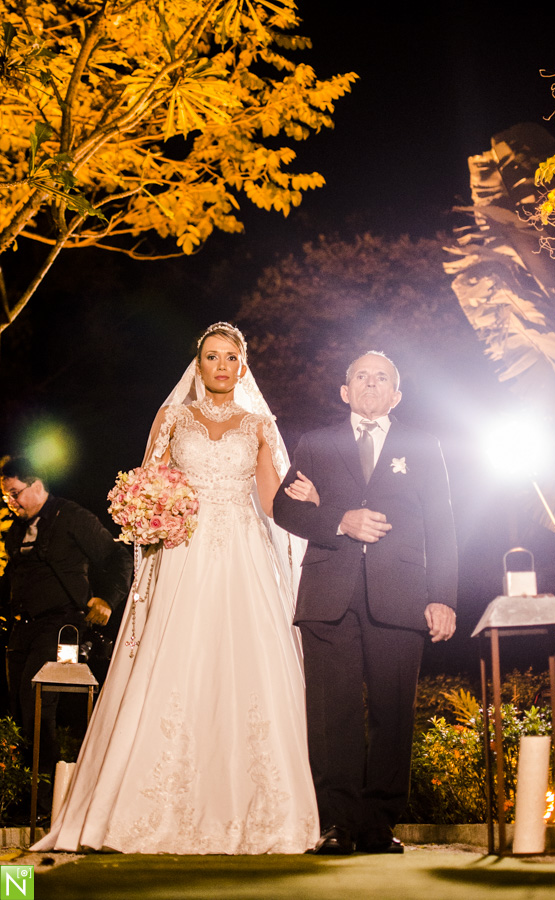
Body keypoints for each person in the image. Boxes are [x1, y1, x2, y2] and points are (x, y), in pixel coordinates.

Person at [34, 323, 318, 854]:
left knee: (245, 662)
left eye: (231, 358)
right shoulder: (173, 417)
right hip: (183, 549)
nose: (222, 366)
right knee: (175, 657)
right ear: (198, 363)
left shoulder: (258, 424)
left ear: (243, 365)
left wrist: (310, 499)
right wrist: (146, 511)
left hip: (242, 554)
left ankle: (257, 812)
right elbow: (150, 480)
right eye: (212, 357)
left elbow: (273, 501)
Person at [273, 351, 458, 855]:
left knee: (393, 712)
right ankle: (337, 823)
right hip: (328, 594)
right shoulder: (317, 441)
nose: (371, 384)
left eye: (382, 379)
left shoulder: (424, 445)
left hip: (401, 596)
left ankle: (378, 824)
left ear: (396, 396)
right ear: (344, 391)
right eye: (361, 376)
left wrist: (443, 597)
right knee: (332, 715)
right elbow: (283, 506)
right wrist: (339, 518)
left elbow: (442, 524)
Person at [0, 457, 133, 819]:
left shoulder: (72, 517)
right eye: (7, 496)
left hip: (64, 627)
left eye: (15, 494)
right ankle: (31, 795)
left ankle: (46, 802)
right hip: (24, 627)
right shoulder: (14, 531)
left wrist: (107, 600)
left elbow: (117, 556)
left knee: (38, 701)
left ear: (37, 484)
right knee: (17, 706)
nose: (11, 502)